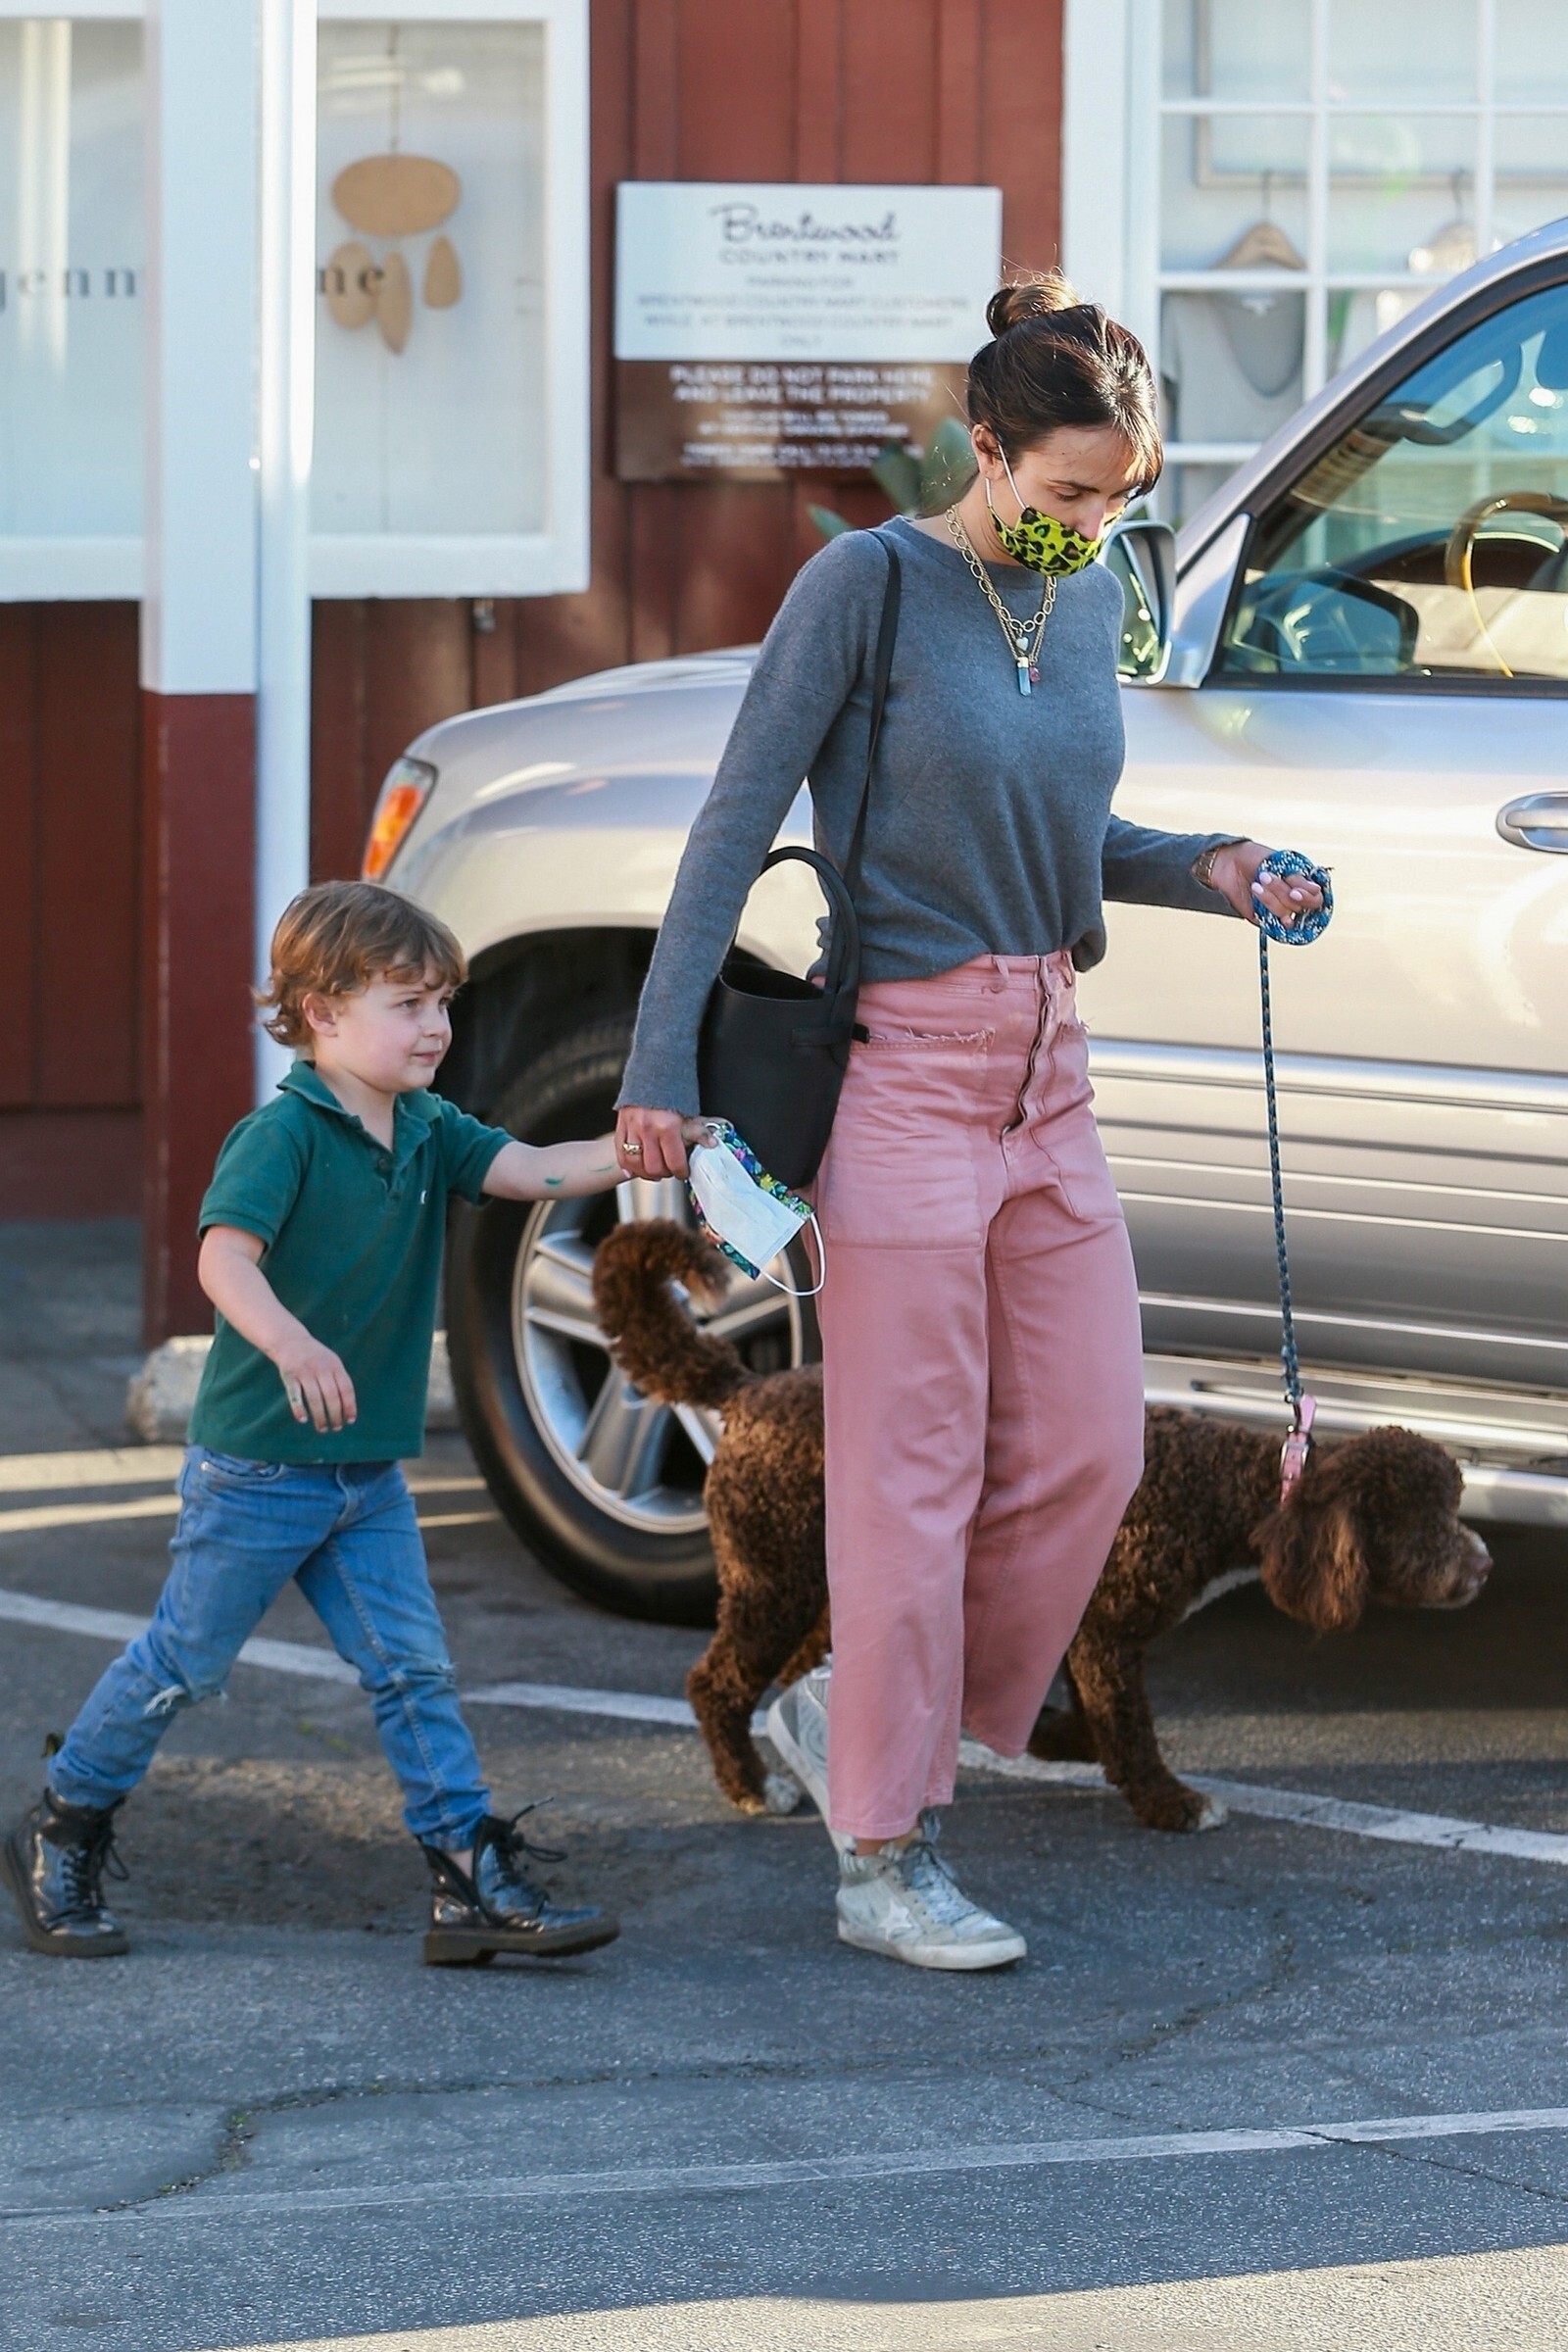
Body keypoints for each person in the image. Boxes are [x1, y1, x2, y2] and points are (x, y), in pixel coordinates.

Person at [613, 273, 1324, 1972]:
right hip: (906, 1077)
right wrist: (656, 1070)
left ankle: (852, 1710)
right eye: (1072, 492)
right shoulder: (863, 588)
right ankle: (885, 1852)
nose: (1098, 527)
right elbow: (732, 828)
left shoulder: (1086, 598)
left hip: (1048, 1073)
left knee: (1090, 1452)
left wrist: (1213, 867)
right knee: (910, 1481)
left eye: (1124, 500)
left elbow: (1065, 833)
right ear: (986, 451)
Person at [2, 881, 698, 1966]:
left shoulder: (427, 1127)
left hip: (363, 1474)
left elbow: (530, 1170)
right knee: (183, 1660)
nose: (437, 1027)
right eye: (408, 1004)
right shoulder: (280, 1135)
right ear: (321, 1012)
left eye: (443, 1003)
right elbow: (223, 1261)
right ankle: (63, 1824)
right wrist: (293, 1345)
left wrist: (651, 1146)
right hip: (258, 1470)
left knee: (412, 1669)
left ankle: (466, 1876)